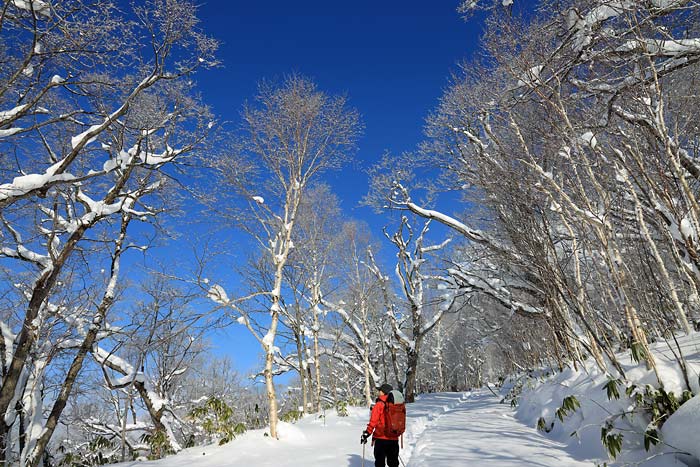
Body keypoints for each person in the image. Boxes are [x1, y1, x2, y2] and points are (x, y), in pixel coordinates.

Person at [360, 383, 400, 467]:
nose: (379, 392)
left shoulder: (379, 404)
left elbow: (373, 422)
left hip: (381, 438)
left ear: (383, 392)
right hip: (393, 439)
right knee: (393, 463)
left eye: (380, 390)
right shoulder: (396, 404)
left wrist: (367, 433)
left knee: (380, 463)